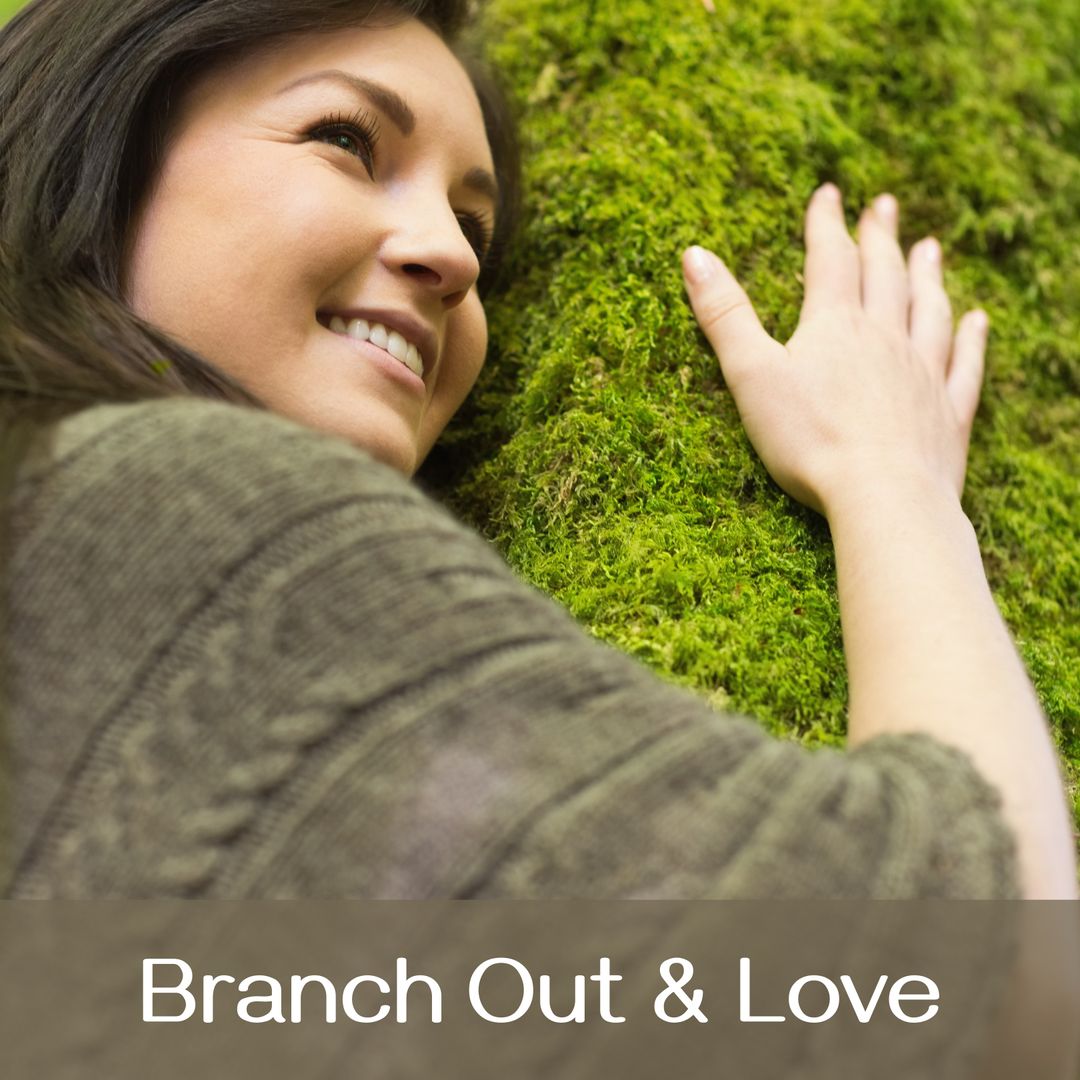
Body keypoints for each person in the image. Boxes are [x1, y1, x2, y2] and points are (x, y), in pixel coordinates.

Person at [0, 0, 1075, 905]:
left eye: (475, 228)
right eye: (347, 141)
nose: (454, 259)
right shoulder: (178, 506)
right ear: (100, 150)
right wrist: (895, 481)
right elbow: (974, 982)